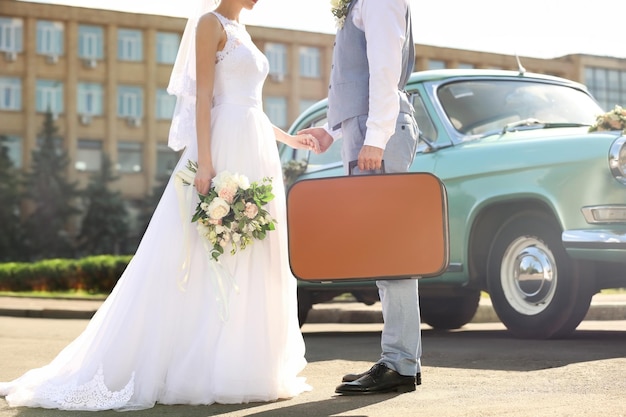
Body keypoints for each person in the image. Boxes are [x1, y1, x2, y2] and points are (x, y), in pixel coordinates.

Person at [0, 0, 316, 410]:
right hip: (222, 148)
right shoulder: (209, 23)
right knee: (204, 252)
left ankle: (244, 364)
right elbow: (205, 98)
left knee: (252, 253)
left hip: (256, 149)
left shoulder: (243, 32)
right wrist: (206, 165)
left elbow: (249, 105)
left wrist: (291, 139)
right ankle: (195, 365)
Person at [300, 0, 421, 395]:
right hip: (367, 132)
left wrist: (375, 139)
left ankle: (399, 363)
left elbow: (385, 74)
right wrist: (330, 131)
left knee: (391, 254)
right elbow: (362, 81)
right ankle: (402, 360)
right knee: (384, 253)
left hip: (378, 136)